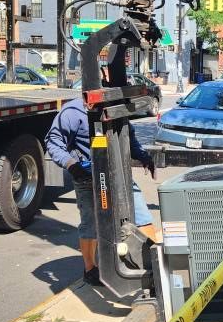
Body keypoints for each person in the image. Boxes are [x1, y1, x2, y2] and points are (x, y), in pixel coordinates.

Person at [45, 97, 157, 285]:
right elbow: (53, 142)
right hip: (87, 175)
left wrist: (142, 155)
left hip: (119, 173)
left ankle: (155, 265)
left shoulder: (117, 109)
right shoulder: (72, 112)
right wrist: (71, 165)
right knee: (90, 224)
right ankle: (90, 268)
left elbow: (128, 137)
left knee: (142, 216)